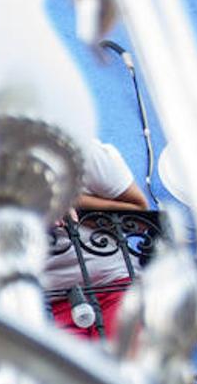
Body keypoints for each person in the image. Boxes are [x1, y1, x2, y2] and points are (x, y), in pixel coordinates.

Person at [43, 140, 147, 340]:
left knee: (130, 368)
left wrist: (68, 200)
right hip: (49, 304)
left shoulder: (80, 150)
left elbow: (140, 217)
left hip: (114, 284)